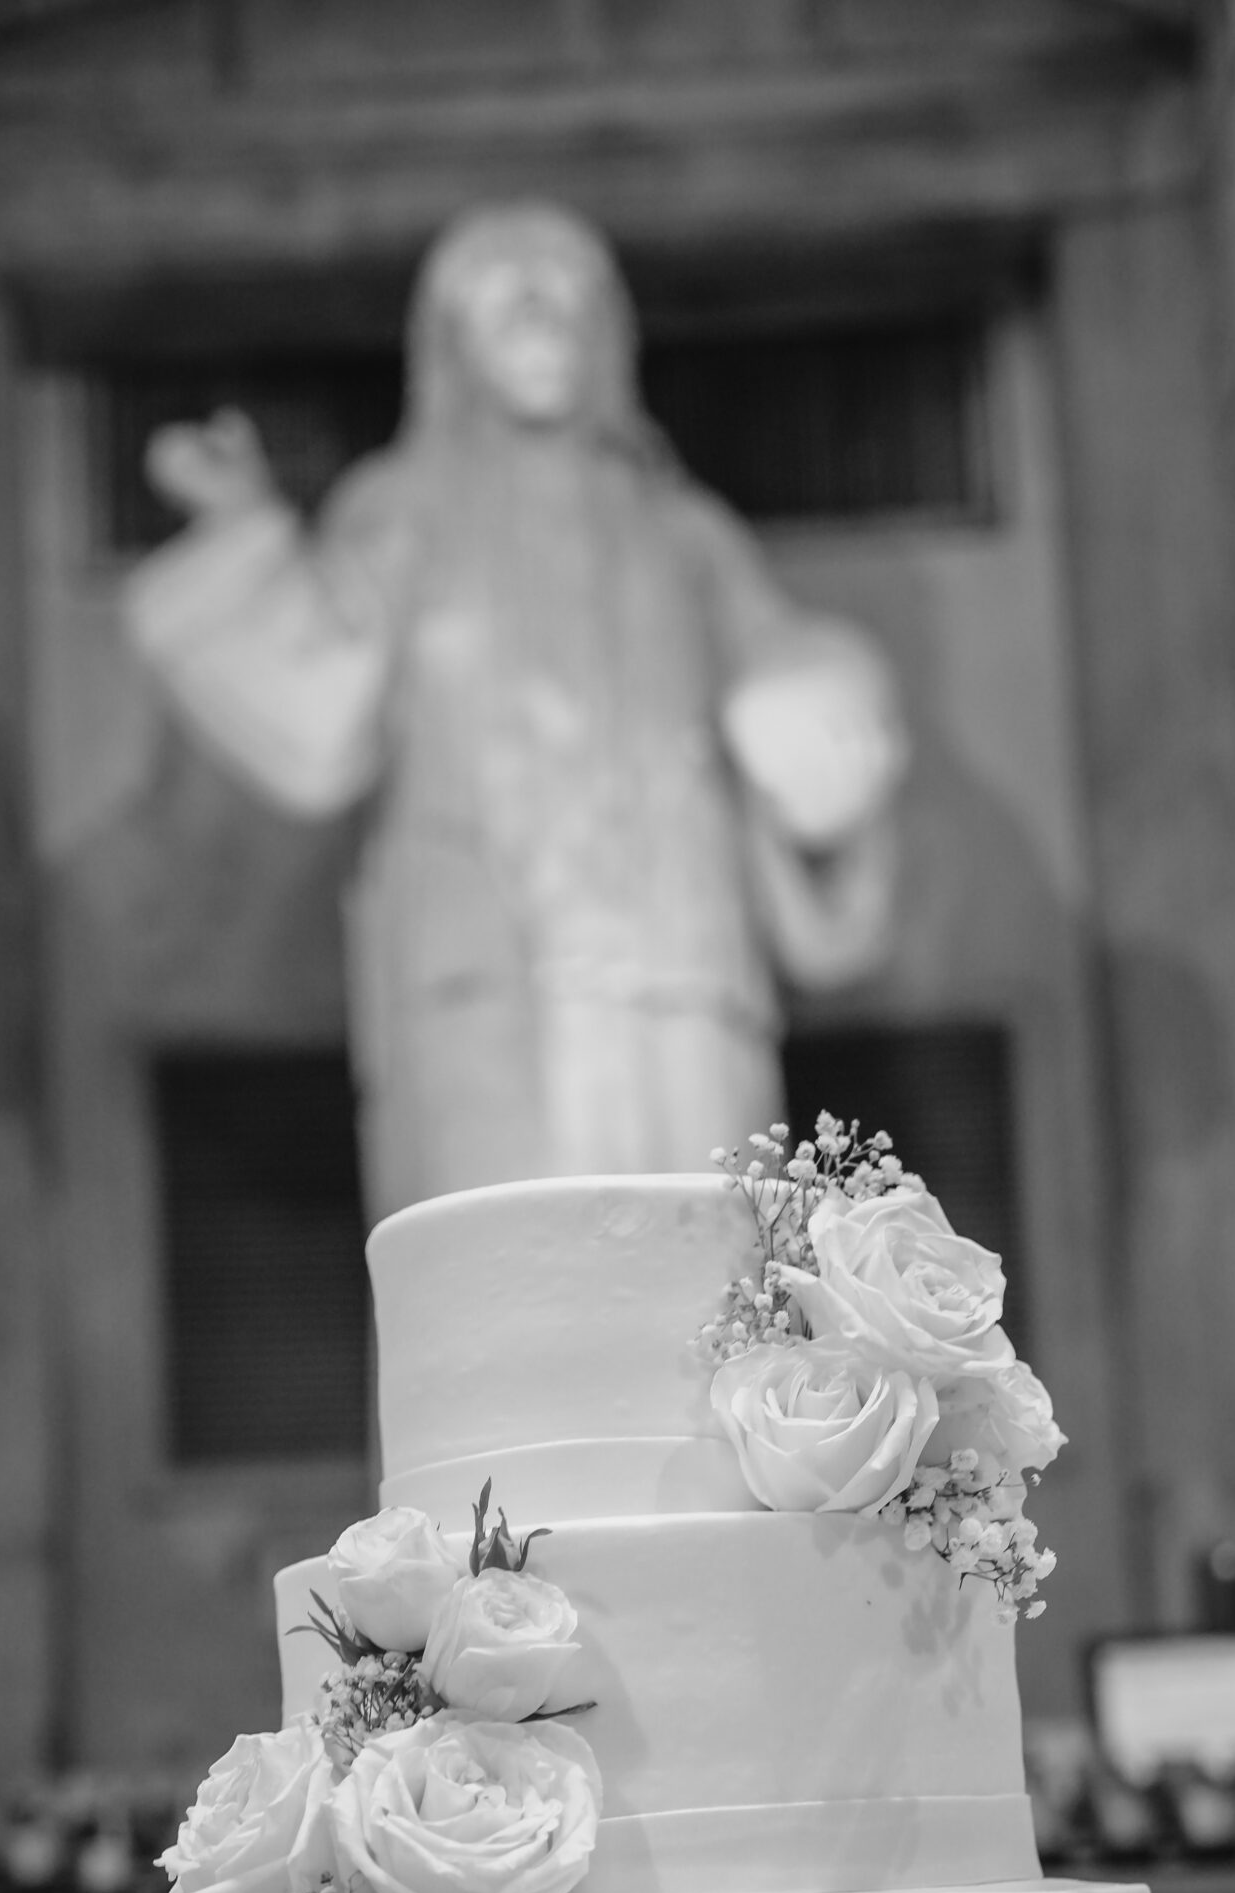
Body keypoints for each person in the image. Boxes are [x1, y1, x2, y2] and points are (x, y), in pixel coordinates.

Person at [125, 201, 907, 1216]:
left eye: (567, 295)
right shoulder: (398, 511)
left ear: (608, 336)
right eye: (503, 300)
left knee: (711, 1303)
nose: (541, 317)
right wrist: (243, 535)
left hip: (679, 973)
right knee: (494, 1295)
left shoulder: (687, 535)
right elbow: (317, 720)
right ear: (449, 344)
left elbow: (799, 699)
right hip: (479, 979)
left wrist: (830, 724)